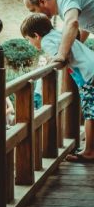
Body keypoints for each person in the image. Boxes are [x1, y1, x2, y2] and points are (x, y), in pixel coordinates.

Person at [20, 13, 94, 163]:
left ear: (36, 35)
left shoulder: (47, 41)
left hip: (88, 76)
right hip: (91, 68)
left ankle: (89, 151)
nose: (30, 43)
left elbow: (61, 59)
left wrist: (52, 61)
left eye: (29, 40)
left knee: (90, 113)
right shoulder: (59, 33)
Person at [23, 0, 94, 63]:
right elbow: (84, 26)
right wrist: (71, 50)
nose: (34, 15)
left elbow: (72, 23)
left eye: (33, 10)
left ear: (42, 1)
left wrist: (61, 54)